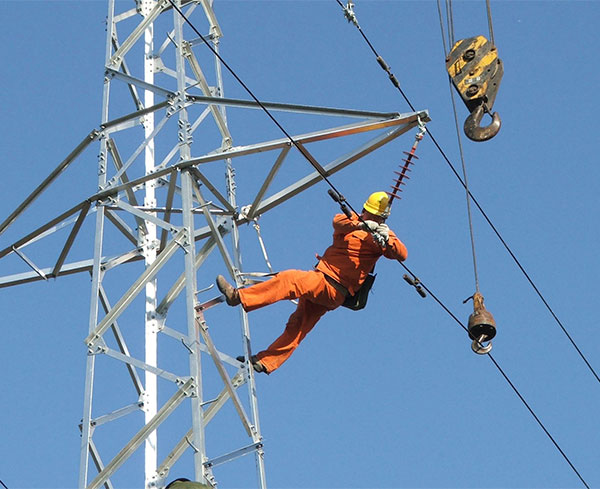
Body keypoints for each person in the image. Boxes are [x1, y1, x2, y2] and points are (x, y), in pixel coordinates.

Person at [216, 191, 408, 374]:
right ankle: (265, 362)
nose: (369, 216)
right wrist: (361, 225)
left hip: (331, 287)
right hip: (324, 284)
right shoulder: (352, 223)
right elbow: (338, 222)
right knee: (298, 324)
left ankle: (238, 297)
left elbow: (401, 254)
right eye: (369, 213)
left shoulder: (380, 239)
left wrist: (387, 237)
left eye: (375, 216)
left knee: (290, 280)